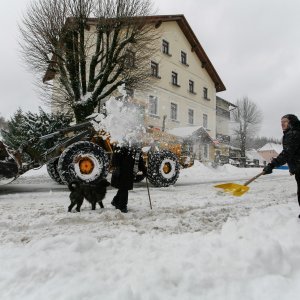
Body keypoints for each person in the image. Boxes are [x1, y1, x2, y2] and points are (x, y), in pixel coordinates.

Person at [263, 114, 300, 217]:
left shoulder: (293, 134)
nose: (282, 124)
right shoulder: (295, 132)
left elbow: (287, 153)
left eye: (285, 121)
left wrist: (271, 165)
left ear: (291, 123)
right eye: (281, 122)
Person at [110, 146, 146, 213]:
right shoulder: (122, 145)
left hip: (129, 171)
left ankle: (116, 201)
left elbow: (139, 160)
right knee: (124, 188)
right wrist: (116, 167)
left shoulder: (136, 148)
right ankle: (122, 207)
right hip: (121, 170)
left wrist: (144, 170)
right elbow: (115, 156)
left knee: (123, 187)